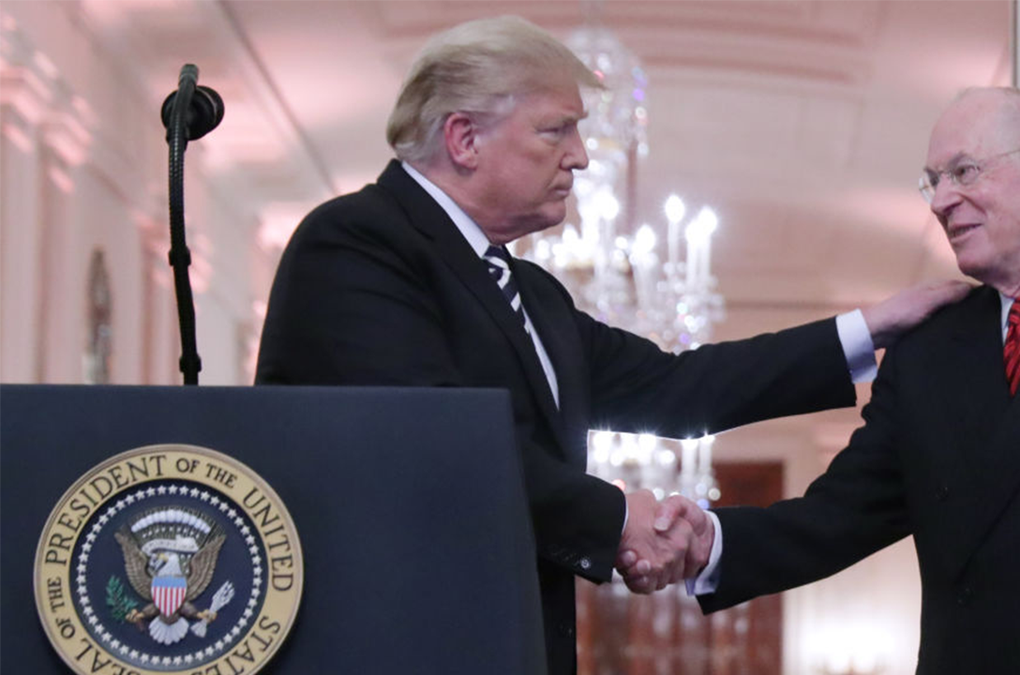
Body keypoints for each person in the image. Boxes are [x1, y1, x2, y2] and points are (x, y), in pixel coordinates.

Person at [254, 16, 967, 675]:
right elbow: (430, 444)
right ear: (464, 138)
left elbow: (674, 386)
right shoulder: (356, 244)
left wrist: (870, 328)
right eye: (556, 131)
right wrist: (620, 519)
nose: (581, 158)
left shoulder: (531, 293)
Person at [642, 87, 1020, 673]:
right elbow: (838, 516)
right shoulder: (928, 349)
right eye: (933, 181)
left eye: (964, 171)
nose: (941, 201)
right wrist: (707, 542)